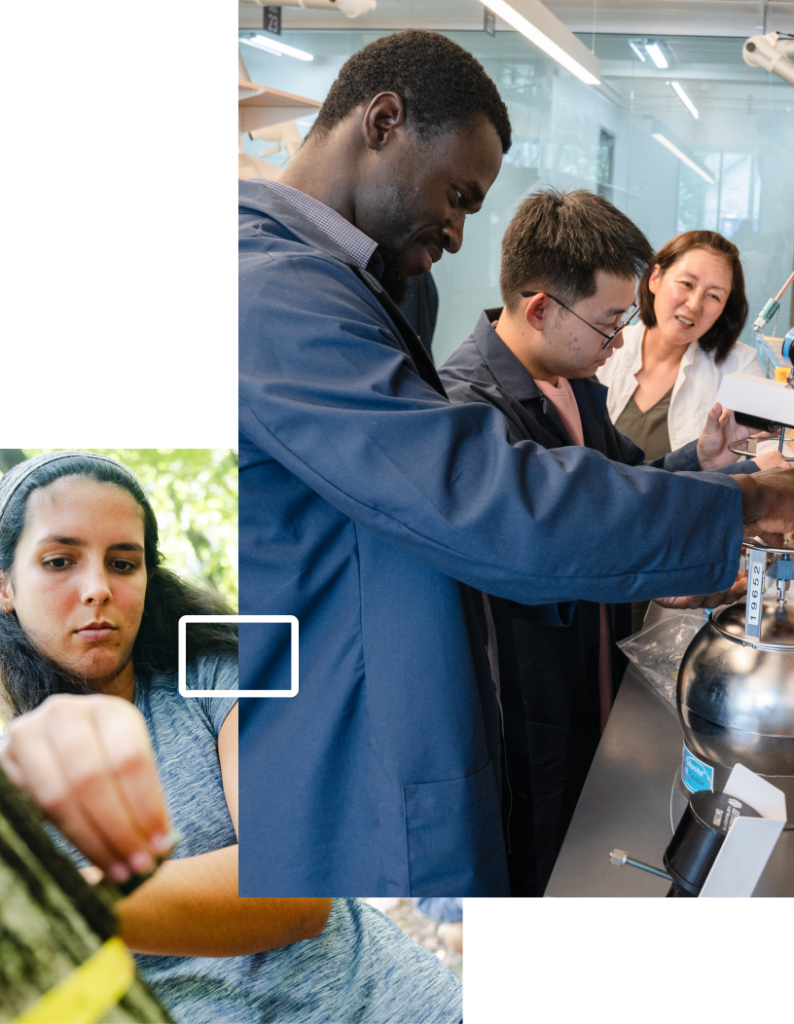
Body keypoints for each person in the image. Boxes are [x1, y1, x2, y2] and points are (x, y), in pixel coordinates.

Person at [237, 29, 794, 898]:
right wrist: (748, 505)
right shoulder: (269, 290)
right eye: (457, 195)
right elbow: (481, 494)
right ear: (383, 122)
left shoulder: (361, 284)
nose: (459, 234)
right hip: (356, 765)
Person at [0, 451, 464, 1024]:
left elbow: (294, 890)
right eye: (59, 560)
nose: (96, 588)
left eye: (123, 563)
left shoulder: (218, 670)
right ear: (5, 588)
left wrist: (53, 898)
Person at [438, 188, 786, 896]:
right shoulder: (470, 412)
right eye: (607, 322)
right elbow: (565, 535)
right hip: (528, 700)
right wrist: (746, 505)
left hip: (588, 666)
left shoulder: (573, 385)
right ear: (540, 308)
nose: (621, 339)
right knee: (543, 853)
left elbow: (627, 482)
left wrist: (697, 463)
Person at [596, 230, 773, 461]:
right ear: (655, 279)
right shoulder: (603, 346)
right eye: (687, 284)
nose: (694, 305)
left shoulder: (740, 366)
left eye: (713, 296)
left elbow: (769, 455)